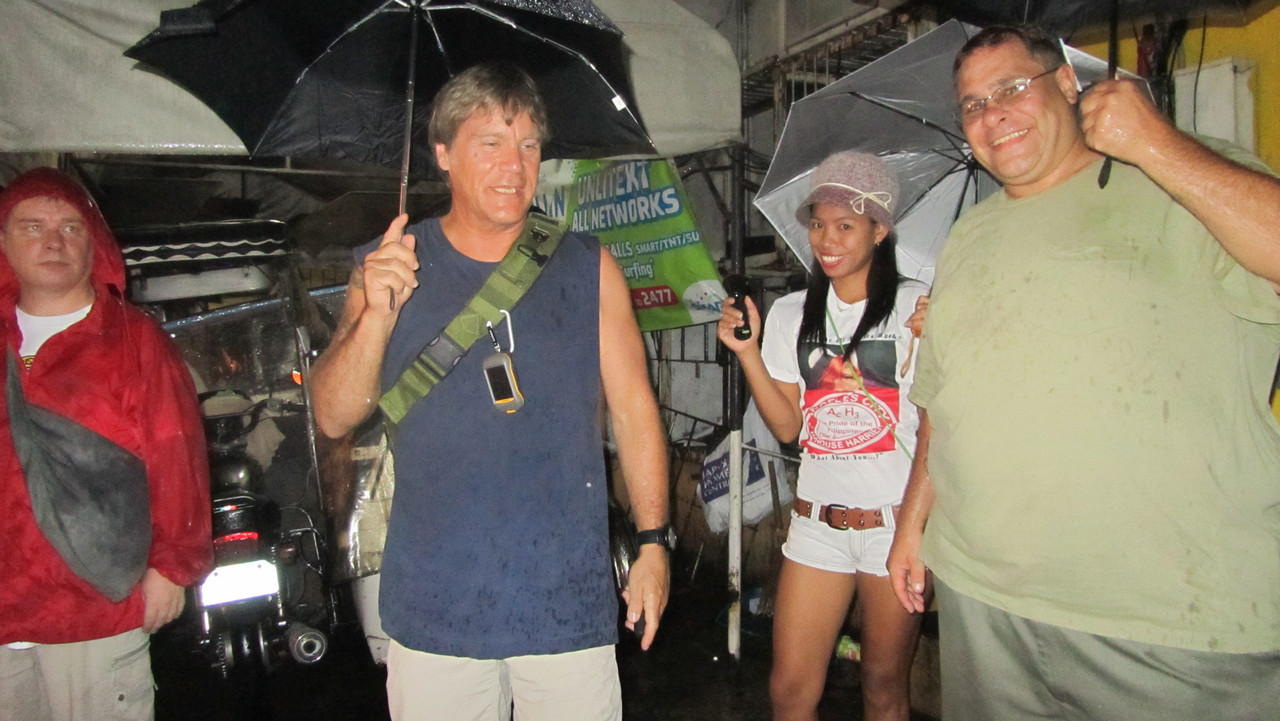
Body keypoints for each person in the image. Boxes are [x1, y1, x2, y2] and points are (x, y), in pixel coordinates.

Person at [886, 24, 1280, 721]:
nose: (992, 114)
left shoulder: (1180, 176)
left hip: (1170, 621)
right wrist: (912, 523)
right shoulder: (970, 235)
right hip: (986, 603)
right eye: (973, 104)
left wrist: (1155, 144)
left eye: (1011, 88)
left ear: (1068, 84)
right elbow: (942, 400)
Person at [310, 63, 671, 721]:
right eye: (491, 143)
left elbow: (635, 411)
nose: (514, 165)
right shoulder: (385, 265)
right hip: (436, 607)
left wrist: (653, 541)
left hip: (565, 603)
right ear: (443, 154)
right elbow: (334, 415)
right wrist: (377, 316)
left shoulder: (588, 266)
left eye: (528, 144)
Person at [719, 151, 929, 721]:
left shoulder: (918, 306)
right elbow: (788, 427)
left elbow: (943, 420)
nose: (826, 240)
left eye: (845, 226)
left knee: (883, 687)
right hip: (816, 525)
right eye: (817, 224)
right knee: (789, 691)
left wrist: (943, 334)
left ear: (880, 230)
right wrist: (747, 354)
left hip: (894, 527)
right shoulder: (791, 313)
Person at [0, 167, 213, 720]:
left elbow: (176, 455)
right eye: (32, 226)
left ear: (94, 242)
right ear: (4, 240)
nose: (53, 242)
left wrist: (171, 567)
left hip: (95, 604)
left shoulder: (133, 339)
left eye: (71, 227)